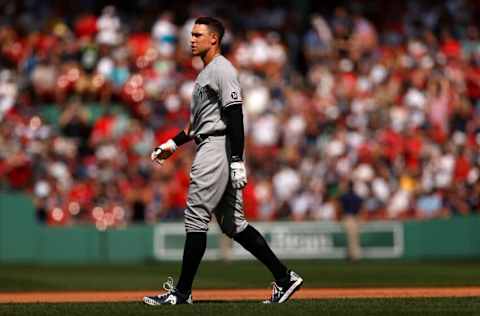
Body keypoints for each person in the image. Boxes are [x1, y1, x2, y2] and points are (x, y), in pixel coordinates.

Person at [143, 17, 303, 305]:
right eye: (191, 34)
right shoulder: (206, 73)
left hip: (218, 147)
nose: (191, 39)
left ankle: (181, 293)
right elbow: (198, 125)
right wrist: (172, 144)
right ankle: (285, 278)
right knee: (233, 224)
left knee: (196, 216)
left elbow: (235, 115)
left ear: (213, 39)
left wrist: (236, 160)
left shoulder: (222, 69)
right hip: (212, 142)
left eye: (197, 34)